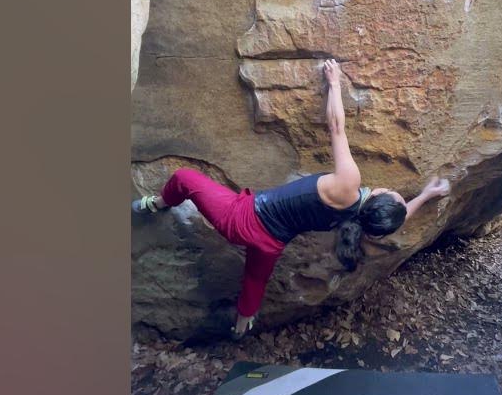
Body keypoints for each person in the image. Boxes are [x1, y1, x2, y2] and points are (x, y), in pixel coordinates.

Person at [133, 59, 452, 338]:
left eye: (393, 194)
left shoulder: (348, 184)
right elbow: (398, 217)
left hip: (243, 220)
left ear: (379, 198)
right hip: (272, 242)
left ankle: (157, 203)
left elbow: (337, 128)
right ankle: (243, 325)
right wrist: (426, 195)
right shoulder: (360, 222)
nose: (393, 191)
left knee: (184, 179)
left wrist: (334, 84)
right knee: (255, 280)